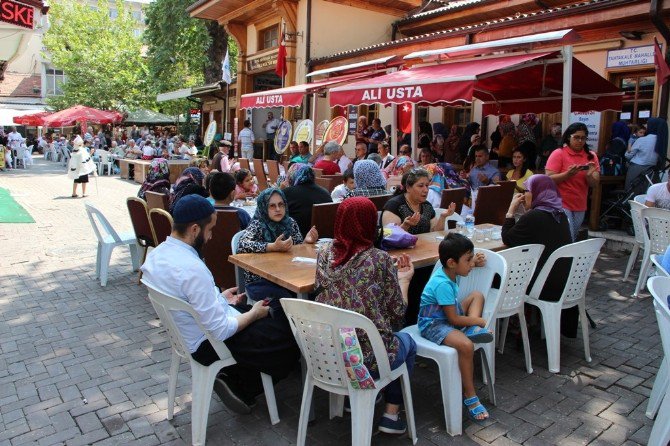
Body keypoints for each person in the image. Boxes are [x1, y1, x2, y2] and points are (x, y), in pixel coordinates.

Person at [141, 194, 299, 414]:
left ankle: (238, 375)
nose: (211, 236)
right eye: (210, 230)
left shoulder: (157, 255)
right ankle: (243, 386)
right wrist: (253, 313)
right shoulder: (191, 268)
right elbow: (221, 330)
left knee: (277, 311)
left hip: (189, 332)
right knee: (289, 336)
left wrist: (219, 298)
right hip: (209, 344)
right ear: (195, 229)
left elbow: (187, 298)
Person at [315, 196, 416, 435]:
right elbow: (398, 314)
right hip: (364, 361)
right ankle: (391, 415)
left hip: (327, 354)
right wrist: (404, 281)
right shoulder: (378, 260)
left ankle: (354, 400)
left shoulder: (324, 254)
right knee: (407, 342)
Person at [418, 233, 492, 421]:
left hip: (449, 315)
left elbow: (455, 315)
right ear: (452, 262)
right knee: (466, 346)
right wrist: (478, 321)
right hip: (434, 324)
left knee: (477, 295)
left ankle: (471, 332)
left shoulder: (452, 270)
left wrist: (476, 260)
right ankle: (470, 396)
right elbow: (454, 319)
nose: (470, 264)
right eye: (468, 260)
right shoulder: (442, 283)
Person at [502, 174, 577, 337]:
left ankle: (507, 319)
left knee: (498, 276)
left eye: (527, 190)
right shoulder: (560, 214)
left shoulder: (534, 216)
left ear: (538, 192)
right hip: (566, 282)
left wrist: (510, 210)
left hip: (544, 285)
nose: (524, 194)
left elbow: (508, 238)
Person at [383, 169, 456, 324]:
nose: (425, 190)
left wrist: (443, 217)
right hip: (401, 260)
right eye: (420, 186)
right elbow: (388, 238)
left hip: (423, 256)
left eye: (427, 186)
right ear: (408, 187)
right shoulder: (394, 205)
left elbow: (434, 232)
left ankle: (431, 315)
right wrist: (405, 226)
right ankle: (410, 320)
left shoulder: (427, 206)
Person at [237, 188, 318, 300]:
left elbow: (296, 250)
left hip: (288, 276)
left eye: (281, 204)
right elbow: (242, 245)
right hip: (260, 280)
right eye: (272, 206)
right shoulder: (258, 224)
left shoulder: (290, 223)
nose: (278, 209)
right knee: (286, 299)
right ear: (264, 207)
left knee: (314, 292)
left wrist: (305, 242)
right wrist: (272, 247)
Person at [545, 122, 600, 240]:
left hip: (580, 203)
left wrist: (589, 175)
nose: (580, 141)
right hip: (560, 203)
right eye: (576, 137)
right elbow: (548, 179)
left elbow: (595, 184)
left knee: (573, 236)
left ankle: (567, 257)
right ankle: (563, 257)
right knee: (567, 235)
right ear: (568, 137)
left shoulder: (591, 156)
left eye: (583, 138)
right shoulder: (559, 153)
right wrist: (567, 174)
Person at [283, 163, 332, 236]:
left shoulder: (287, 192)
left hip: (296, 238)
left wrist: (279, 190)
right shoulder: (325, 192)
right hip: (322, 238)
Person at [625, 117, 667, 195]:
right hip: (651, 171)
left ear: (653, 126)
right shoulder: (661, 141)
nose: (645, 125)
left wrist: (629, 144)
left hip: (636, 169)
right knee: (645, 194)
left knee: (631, 193)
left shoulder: (642, 140)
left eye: (647, 124)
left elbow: (628, 155)